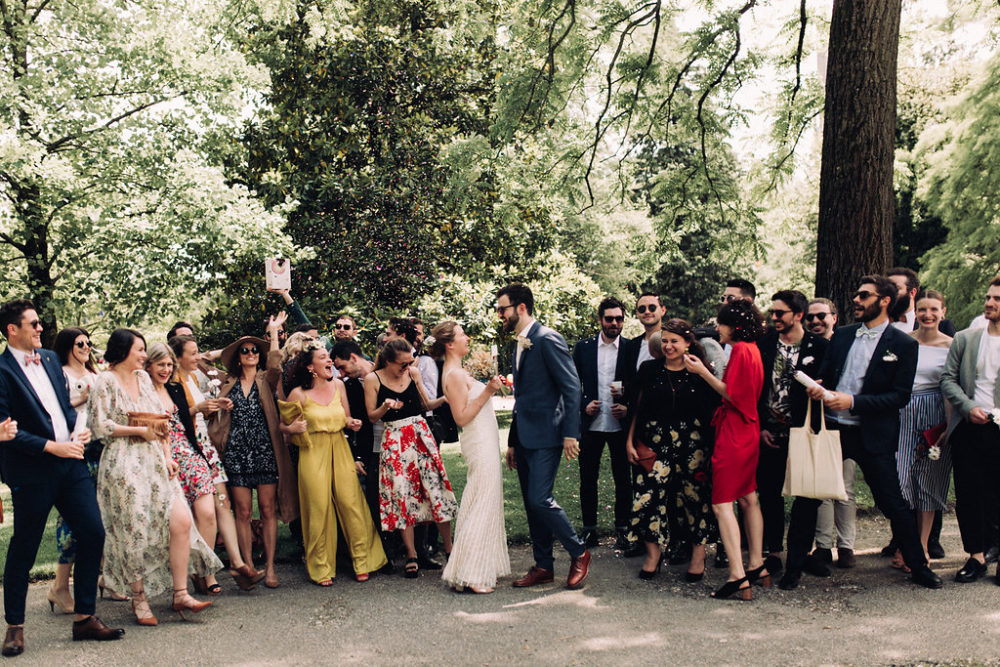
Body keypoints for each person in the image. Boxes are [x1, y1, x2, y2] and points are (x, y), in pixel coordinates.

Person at [0, 300, 123, 656]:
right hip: (32, 471)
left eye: (39, 323)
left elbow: (64, 408)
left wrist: (76, 430)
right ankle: (15, 627)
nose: (40, 328)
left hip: (71, 465)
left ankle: (84, 617)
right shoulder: (2, 371)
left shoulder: (52, 360)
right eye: (33, 324)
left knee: (93, 532)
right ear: (12, 330)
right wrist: (53, 447)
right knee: (24, 546)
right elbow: (6, 430)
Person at [805, 276, 942, 589]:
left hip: (873, 435)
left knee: (892, 502)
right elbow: (826, 375)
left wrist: (853, 402)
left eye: (864, 295)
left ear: (884, 301)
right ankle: (795, 565)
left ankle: (918, 566)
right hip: (834, 430)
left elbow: (900, 396)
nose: (856, 299)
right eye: (856, 294)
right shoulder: (842, 335)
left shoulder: (904, 344)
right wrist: (819, 388)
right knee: (810, 496)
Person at [89, 328, 219, 626]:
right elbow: (99, 425)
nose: (143, 355)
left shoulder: (144, 379)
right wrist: (137, 431)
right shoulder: (106, 381)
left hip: (155, 459)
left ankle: (181, 593)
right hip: (123, 462)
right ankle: (139, 599)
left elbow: (161, 420)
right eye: (139, 349)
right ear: (123, 351)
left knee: (181, 520)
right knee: (133, 529)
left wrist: (168, 455)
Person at [498, 283, 591, 590]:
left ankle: (579, 551)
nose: (500, 315)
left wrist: (571, 433)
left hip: (549, 434)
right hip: (524, 437)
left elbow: (571, 387)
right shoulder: (519, 342)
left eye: (502, 309)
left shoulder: (547, 338)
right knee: (531, 503)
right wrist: (513, 441)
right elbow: (522, 398)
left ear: (521, 307)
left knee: (540, 499)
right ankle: (543, 566)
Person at [282, 344, 387, 585]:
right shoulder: (298, 394)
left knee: (351, 503)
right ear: (310, 367)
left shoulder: (338, 385)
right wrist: (292, 427)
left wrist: (351, 423)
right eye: (323, 358)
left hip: (339, 448)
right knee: (318, 508)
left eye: (329, 358)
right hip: (312, 452)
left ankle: (363, 560)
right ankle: (321, 567)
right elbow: (282, 427)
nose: (330, 361)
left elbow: (345, 416)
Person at [625, 318, 720, 581]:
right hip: (655, 441)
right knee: (648, 495)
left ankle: (698, 556)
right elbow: (635, 408)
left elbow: (714, 409)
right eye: (664, 341)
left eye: (674, 341)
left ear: (688, 343)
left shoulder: (700, 370)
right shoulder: (649, 369)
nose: (668, 346)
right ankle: (653, 554)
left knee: (694, 497)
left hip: (693, 444)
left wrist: (703, 372)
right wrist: (629, 441)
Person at [683, 299, 766, 600]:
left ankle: (737, 575)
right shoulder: (753, 348)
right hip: (749, 428)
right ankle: (756, 564)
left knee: (722, 504)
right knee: (749, 498)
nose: (718, 328)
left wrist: (702, 372)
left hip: (735, 431)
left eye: (721, 323)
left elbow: (732, 395)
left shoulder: (741, 350)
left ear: (734, 326)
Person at [208, 316, 298, 589]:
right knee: (243, 512)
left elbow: (276, 363)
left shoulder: (266, 379)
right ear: (237, 357)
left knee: (268, 510)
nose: (250, 353)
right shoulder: (227, 382)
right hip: (236, 455)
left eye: (254, 350)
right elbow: (200, 362)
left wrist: (273, 333)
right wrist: (222, 352)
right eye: (244, 350)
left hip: (264, 452)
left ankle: (269, 567)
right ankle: (247, 566)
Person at [168, 335, 262, 591]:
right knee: (205, 511)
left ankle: (237, 563)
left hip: (205, 445)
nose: (198, 357)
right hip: (187, 447)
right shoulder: (172, 383)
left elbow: (199, 412)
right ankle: (205, 572)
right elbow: (171, 419)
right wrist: (198, 408)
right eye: (192, 353)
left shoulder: (192, 378)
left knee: (224, 503)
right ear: (178, 358)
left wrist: (215, 406)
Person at [47, 327, 128, 613]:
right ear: (67, 346)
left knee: (103, 515)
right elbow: (52, 411)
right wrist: (84, 399)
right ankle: (59, 586)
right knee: (73, 520)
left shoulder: (96, 374)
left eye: (88, 343)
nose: (85, 347)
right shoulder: (59, 374)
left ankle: (107, 577)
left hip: (100, 450)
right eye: (79, 343)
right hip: (74, 450)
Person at [363, 338, 456, 578]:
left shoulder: (413, 373)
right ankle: (411, 554)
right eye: (402, 364)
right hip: (394, 440)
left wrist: (443, 399)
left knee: (435, 490)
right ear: (388, 361)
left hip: (420, 436)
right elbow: (371, 416)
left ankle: (450, 549)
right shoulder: (373, 379)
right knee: (402, 494)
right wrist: (386, 406)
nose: (407, 367)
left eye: (409, 362)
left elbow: (425, 404)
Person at [144, 343, 228, 598]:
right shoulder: (142, 391)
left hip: (189, 452)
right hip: (161, 455)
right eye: (160, 364)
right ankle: (182, 579)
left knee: (208, 512)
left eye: (169, 365)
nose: (165, 369)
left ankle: (205, 572)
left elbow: (186, 423)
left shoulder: (175, 388)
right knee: (175, 521)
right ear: (149, 365)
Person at [432, 321, 510, 593]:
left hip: (486, 437)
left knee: (484, 498)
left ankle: (480, 565)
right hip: (478, 440)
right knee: (482, 500)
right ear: (449, 344)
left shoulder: (459, 370)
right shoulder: (453, 374)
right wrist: (488, 391)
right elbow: (461, 417)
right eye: (462, 335)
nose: (467, 338)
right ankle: (470, 573)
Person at [755, 291, 828, 574]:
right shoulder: (763, 344)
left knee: (806, 496)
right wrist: (760, 426)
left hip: (804, 431)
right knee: (769, 494)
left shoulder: (819, 346)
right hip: (769, 432)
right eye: (772, 312)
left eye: (780, 313)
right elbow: (754, 388)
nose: (774, 317)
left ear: (798, 315)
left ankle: (799, 556)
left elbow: (829, 384)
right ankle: (773, 552)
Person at [940, 276, 1000, 584]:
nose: (989, 303)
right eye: (989, 297)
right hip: (968, 426)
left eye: (997, 299)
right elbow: (948, 379)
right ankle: (976, 556)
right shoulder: (966, 338)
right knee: (968, 493)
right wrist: (967, 407)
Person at [894, 291, 952, 565]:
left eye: (933, 309)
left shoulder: (952, 345)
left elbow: (952, 386)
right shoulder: (904, 342)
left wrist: (948, 425)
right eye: (922, 309)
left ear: (943, 312)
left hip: (936, 411)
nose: (927, 315)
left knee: (929, 479)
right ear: (915, 312)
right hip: (903, 410)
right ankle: (903, 543)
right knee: (900, 478)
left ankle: (922, 546)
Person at [572, 297, 633, 551]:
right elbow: (572, 384)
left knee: (623, 479)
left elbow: (637, 385)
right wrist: (583, 404)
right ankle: (589, 530)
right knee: (588, 478)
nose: (614, 323)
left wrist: (627, 404)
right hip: (591, 423)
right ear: (600, 320)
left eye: (619, 319)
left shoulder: (630, 348)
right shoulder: (583, 348)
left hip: (620, 425)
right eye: (609, 319)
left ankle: (623, 529)